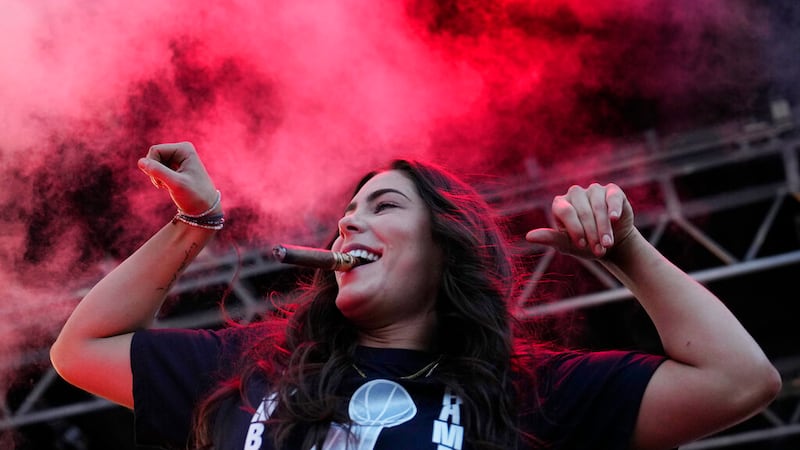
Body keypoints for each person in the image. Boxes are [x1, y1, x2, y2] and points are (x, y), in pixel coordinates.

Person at [50, 141, 781, 450]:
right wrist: (194, 224)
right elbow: (82, 349)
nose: (349, 220)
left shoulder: (529, 395)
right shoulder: (250, 370)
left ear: (446, 250)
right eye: (348, 211)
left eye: (385, 206)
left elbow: (738, 381)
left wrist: (628, 252)